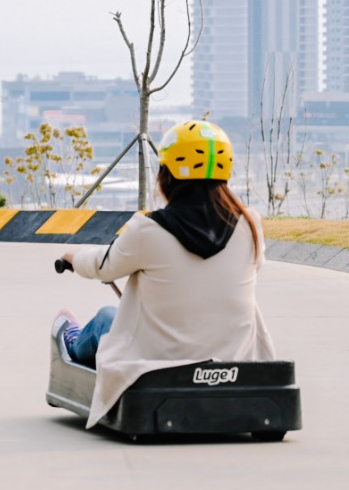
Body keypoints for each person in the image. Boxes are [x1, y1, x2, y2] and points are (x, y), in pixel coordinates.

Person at [54, 119, 276, 429]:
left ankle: (73, 341)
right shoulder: (250, 224)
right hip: (232, 355)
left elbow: (103, 265)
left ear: (167, 175)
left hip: (158, 362)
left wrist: (73, 256)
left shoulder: (148, 229)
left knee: (107, 317)